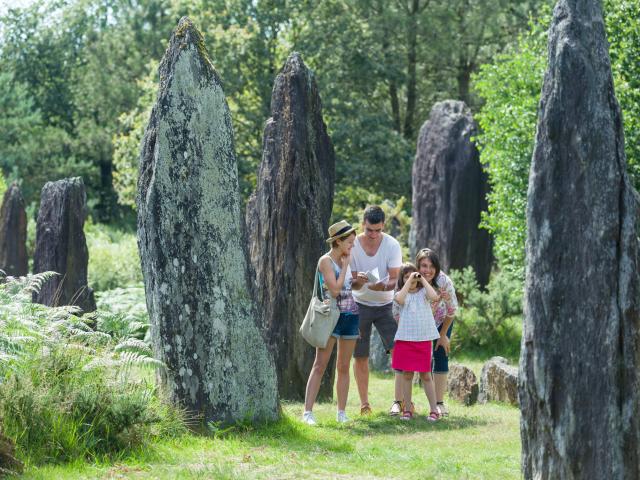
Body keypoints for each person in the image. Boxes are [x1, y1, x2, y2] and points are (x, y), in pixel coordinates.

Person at [302, 220, 360, 425]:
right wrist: (345, 268)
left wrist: (356, 278)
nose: (352, 246)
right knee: (320, 364)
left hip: (350, 315)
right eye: (350, 242)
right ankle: (307, 412)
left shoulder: (345, 259)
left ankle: (341, 412)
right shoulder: (325, 261)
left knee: (343, 366)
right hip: (331, 316)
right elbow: (334, 290)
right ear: (338, 241)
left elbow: (345, 287)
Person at [349, 206, 403, 415]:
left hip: (386, 304)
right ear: (363, 224)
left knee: (398, 350)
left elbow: (395, 279)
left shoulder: (392, 245)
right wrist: (358, 281)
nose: (373, 235)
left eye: (377, 230)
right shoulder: (352, 245)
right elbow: (351, 283)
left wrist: (384, 286)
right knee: (360, 355)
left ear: (383, 227)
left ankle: (399, 401)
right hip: (359, 303)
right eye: (369, 230)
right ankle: (365, 404)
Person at [392, 263, 441, 421]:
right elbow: (399, 299)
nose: (411, 278)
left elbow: (434, 297)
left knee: (426, 375)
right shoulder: (402, 294)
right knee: (407, 375)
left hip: (423, 340)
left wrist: (422, 279)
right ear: (402, 280)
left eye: (413, 275)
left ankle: (434, 410)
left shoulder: (423, 293)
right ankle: (407, 409)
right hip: (406, 339)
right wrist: (409, 281)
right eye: (406, 276)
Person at [415, 248, 458, 417]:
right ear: (418, 266)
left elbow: (452, 309)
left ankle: (439, 403)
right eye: (424, 265)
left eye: (432, 266)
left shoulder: (444, 281)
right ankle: (404, 401)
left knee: (441, 355)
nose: (428, 270)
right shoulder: (412, 280)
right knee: (415, 362)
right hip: (418, 324)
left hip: (441, 322)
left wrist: (443, 335)